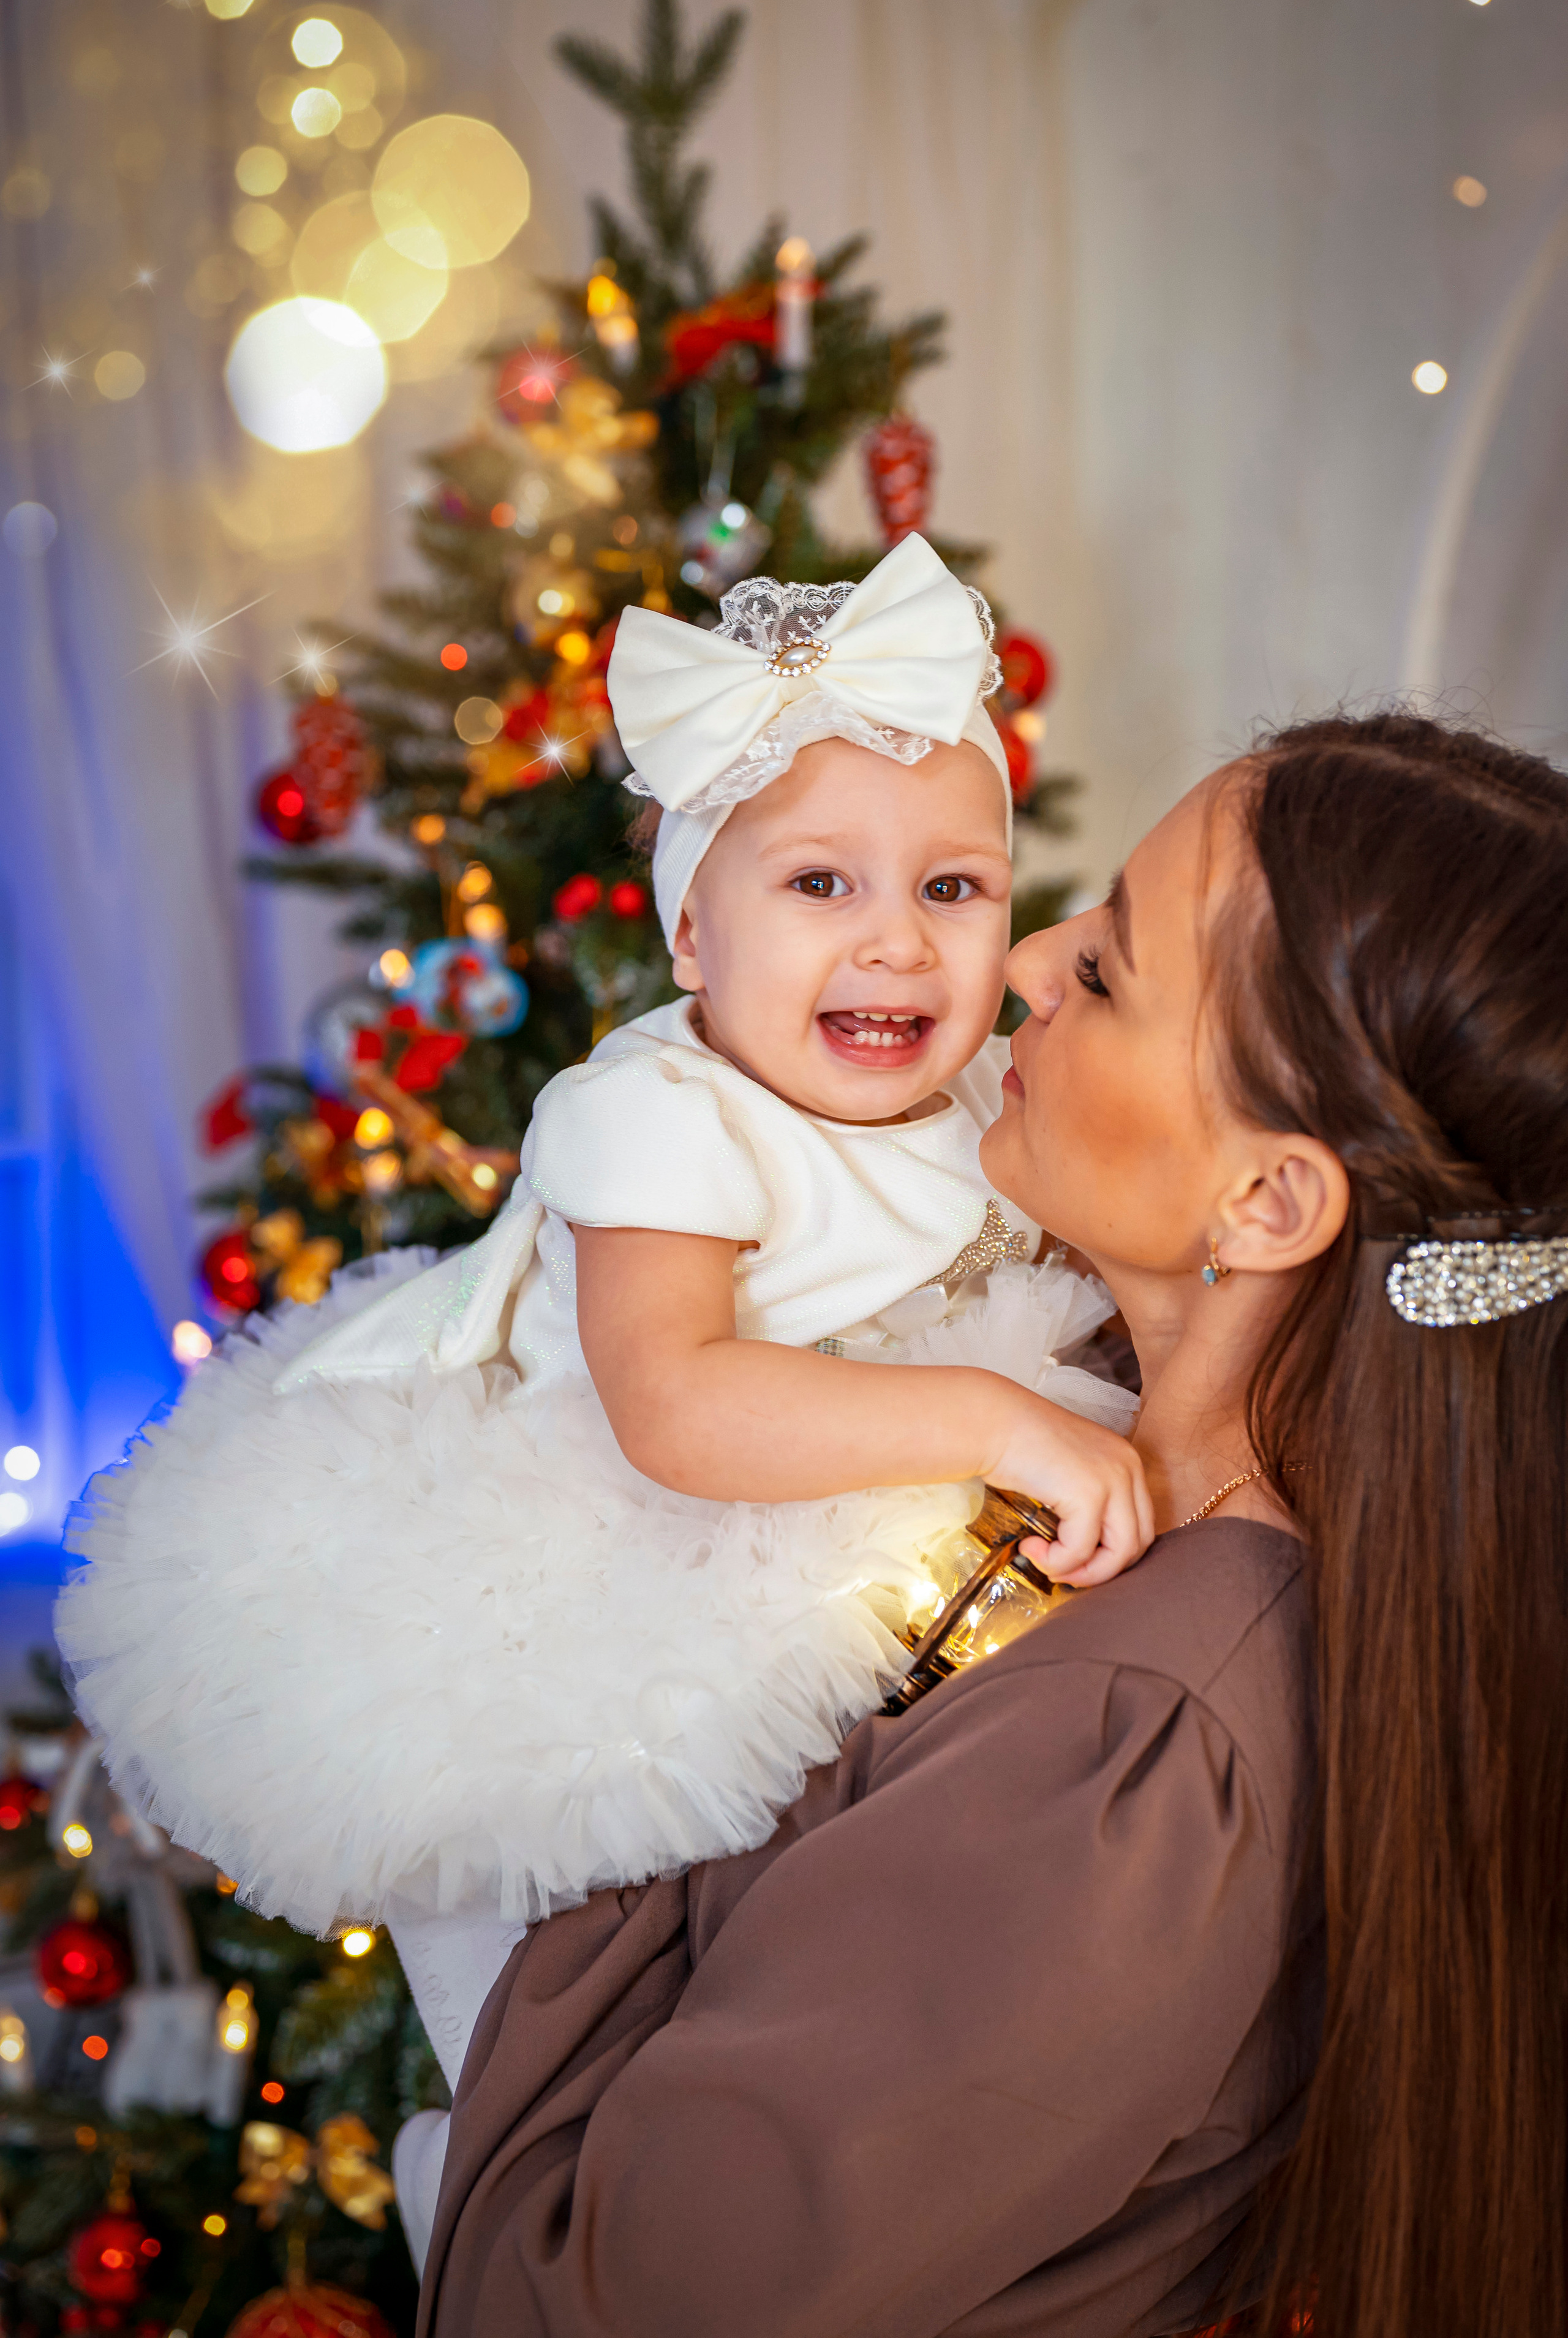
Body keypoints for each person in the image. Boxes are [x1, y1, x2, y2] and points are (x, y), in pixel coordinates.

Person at [414, 713, 1568, 2338]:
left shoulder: (1136, 1747)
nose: (1022, 959)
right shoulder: (1035, 1413)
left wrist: (591, 1763)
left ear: (1270, 1202)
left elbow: (574, 2301)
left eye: (1107, 972)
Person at [56, 533, 1147, 2083]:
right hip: (552, 1542)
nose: (896, 939)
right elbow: (678, 1406)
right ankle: (493, 2175)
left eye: (951, 886)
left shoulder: (978, 1092)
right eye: (818, 882)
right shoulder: (653, 1114)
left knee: (765, 1937)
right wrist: (997, 1419)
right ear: (690, 936)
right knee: (523, 1912)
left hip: (814, 1554)